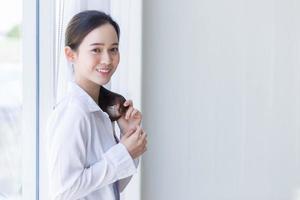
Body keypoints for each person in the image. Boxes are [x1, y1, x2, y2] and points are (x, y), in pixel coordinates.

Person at [46, 10, 147, 200]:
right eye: (96, 50)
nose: (107, 60)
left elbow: (111, 188)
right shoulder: (73, 112)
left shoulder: (99, 111)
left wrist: (128, 137)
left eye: (113, 49)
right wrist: (123, 152)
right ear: (70, 54)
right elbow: (63, 191)